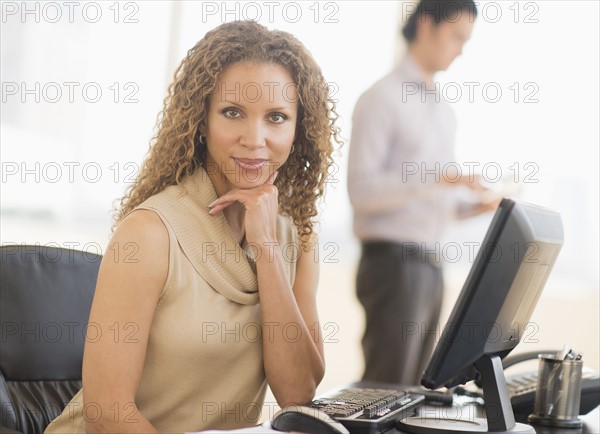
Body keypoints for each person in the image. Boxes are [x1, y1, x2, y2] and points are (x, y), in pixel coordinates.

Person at [45, 20, 340, 434]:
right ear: (201, 121)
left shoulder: (296, 238)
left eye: (276, 117)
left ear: (298, 130)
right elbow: (108, 413)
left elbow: (297, 395)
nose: (255, 139)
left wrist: (266, 246)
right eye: (232, 112)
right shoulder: (150, 233)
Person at [347, 0, 499, 386]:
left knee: (417, 391)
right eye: (457, 36)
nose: (462, 48)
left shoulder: (444, 111)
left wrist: (476, 207)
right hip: (392, 265)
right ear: (427, 25)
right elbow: (361, 192)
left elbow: (438, 198)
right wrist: (437, 178)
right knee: (386, 388)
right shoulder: (381, 97)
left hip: (430, 266)